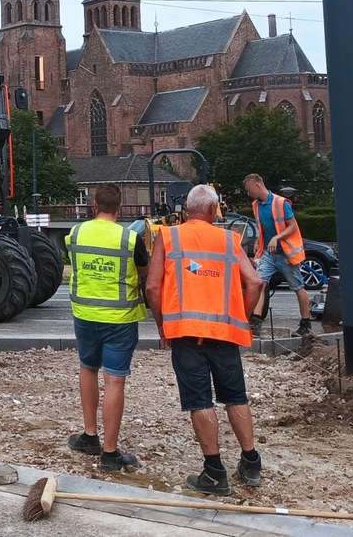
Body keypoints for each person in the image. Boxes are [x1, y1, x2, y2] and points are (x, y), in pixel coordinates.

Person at [146, 185, 265, 496]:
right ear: (214, 211)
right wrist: (244, 318)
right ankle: (251, 462)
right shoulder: (229, 240)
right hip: (225, 335)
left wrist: (162, 326)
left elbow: (153, 289)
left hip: (187, 335)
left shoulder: (169, 237)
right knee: (235, 397)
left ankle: (214, 472)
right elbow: (254, 283)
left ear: (187, 210)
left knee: (200, 401)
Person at [64, 184, 150, 471]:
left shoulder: (76, 233)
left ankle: (90, 436)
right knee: (114, 380)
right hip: (120, 320)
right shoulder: (130, 238)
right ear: (121, 208)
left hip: (85, 315)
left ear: (94, 206)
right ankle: (109, 453)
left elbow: (74, 264)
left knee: (88, 368)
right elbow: (143, 273)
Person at [243, 174, 312, 337]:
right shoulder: (256, 205)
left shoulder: (280, 203)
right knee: (260, 283)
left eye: (249, 189)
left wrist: (276, 238)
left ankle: (305, 323)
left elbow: (293, 227)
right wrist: (259, 251)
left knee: (298, 287)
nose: (248, 193)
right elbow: (262, 229)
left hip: (285, 254)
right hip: (268, 253)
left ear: (258, 185)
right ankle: (256, 321)